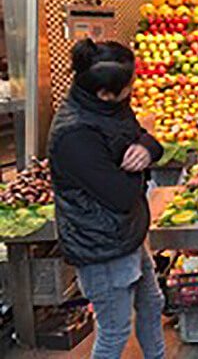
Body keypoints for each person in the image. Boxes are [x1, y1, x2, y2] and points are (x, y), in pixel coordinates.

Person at [48, 39, 165, 359]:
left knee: (153, 304)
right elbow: (121, 195)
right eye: (130, 85)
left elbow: (139, 135)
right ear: (105, 93)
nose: (134, 87)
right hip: (101, 245)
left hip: (127, 234)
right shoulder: (75, 136)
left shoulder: (106, 107)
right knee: (114, 331)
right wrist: (141, 165)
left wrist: (148, 148)